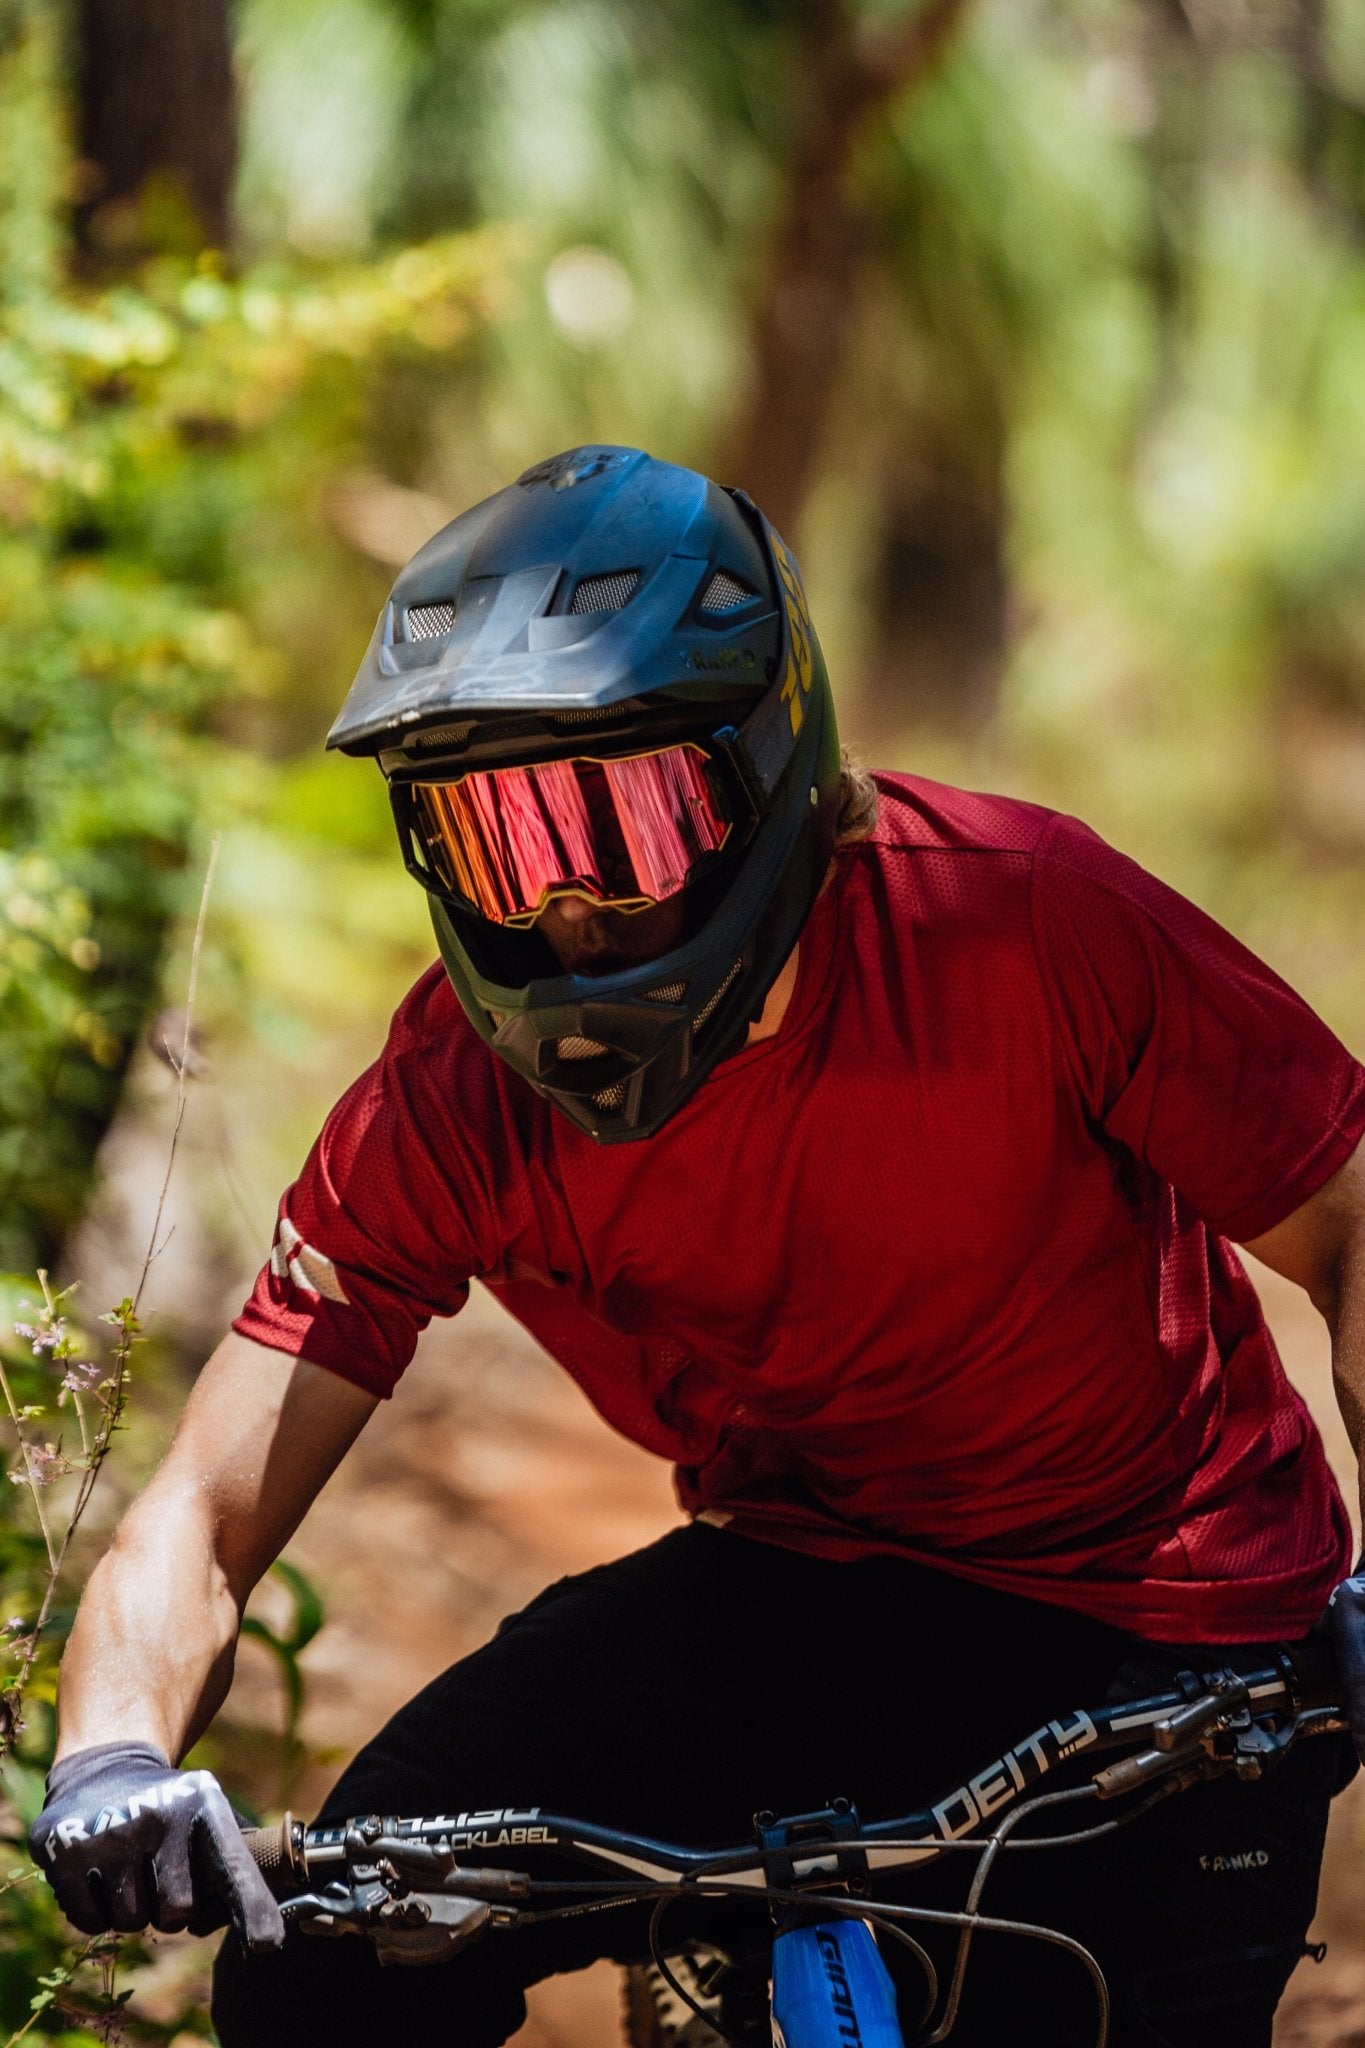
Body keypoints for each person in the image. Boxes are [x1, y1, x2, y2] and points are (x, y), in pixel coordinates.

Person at [29, 445, 1365, 2048]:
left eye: (626, 822)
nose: (569, 909)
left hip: (1164, 1615)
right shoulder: (451, 1095)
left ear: (769, 771)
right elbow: (204, 1506)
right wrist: (110, 1756)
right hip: (797, 1583)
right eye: (497, 846)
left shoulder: (1020, 923)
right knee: (323, 1959)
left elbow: (1349, 1228)